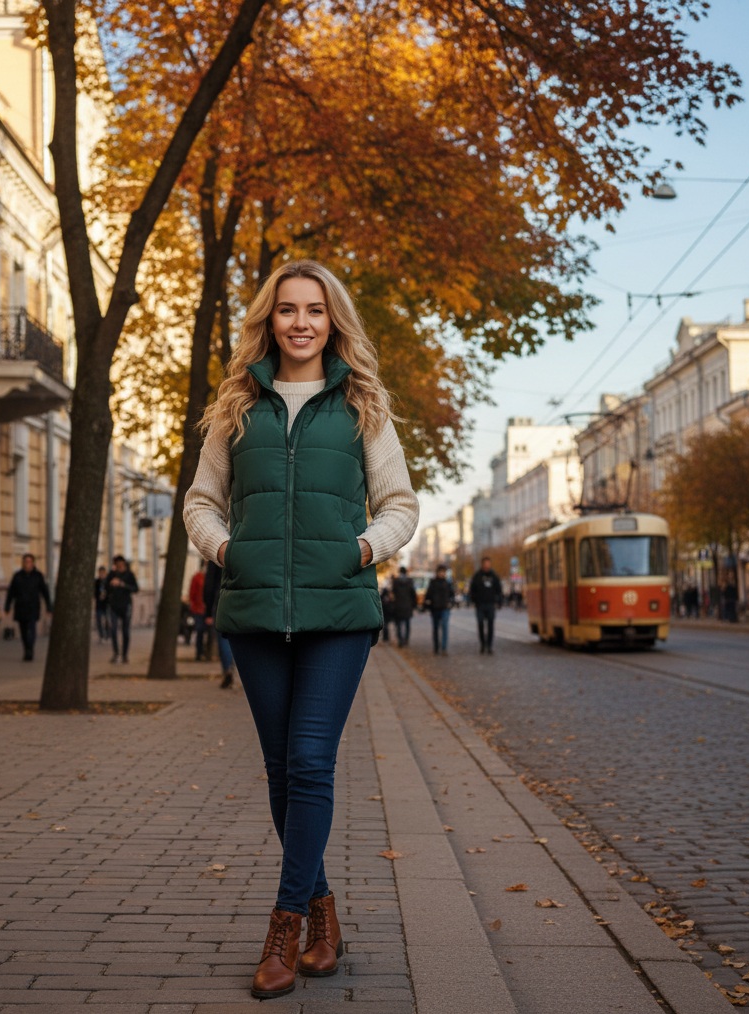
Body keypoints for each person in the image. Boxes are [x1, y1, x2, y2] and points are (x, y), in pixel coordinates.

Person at [184, 260, 418, 999]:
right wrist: (228, 551)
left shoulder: (362, 407)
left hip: (336, 616)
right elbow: (199, 503)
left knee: (310, 764)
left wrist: (357, 549)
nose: (300, 323)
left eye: (314, 310)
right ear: (269, 319)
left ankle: (284, 926)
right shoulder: (236, 409)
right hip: (254, 612)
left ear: (332, 320)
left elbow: (400, 507)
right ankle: (324, 913)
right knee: (282, 770)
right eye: (286, 310)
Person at [4, 553, 53, 661]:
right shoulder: (17, 576)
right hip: (20, 607)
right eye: (25, 562)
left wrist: (49, 607)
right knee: (23, 630)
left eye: (29, 562)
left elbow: (45, 592)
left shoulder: (38, 576)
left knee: (31, 629)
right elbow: (11, 592)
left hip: (33, 607)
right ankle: (26, 648)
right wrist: (7, 606)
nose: (27, 564)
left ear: (33, 563)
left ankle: (30, 649)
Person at [202, 560, 235, 688]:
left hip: (221, 599)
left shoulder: (218, 546)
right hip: (242, 599)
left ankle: (227, 669)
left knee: (224, 638)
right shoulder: (246, 544)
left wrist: (208, 611)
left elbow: (209, 584)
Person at [106, 555, 139, 663]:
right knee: (114, 630)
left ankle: (125, 655)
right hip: (114, 606)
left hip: (126, 606)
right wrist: (111, 583)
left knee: (125, 631)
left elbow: (135, 589)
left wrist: (122, 584)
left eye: (120, 564)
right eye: (116, 564)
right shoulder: (112, 574)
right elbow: (105, 586)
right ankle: (116, 653)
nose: (118, 566)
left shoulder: (129, 574)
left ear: (123, 564)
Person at [469, 556, 503, 654]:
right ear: (482, 564)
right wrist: (474, 600)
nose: (487, 565)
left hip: (490, 604)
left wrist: (499, 601)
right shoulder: (477, 576)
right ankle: (483, 644)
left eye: (488, 563)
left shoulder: (494, 576)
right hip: (480, 604)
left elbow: (498, 589)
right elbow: (472, 590)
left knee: (491, 625)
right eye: (485, 563)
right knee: (480, 624)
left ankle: (489, 645)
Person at [423, 564, 455, 654]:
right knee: (436, 628)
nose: (442, 574)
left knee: (445, 627)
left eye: (444, 572)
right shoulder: (433, 583)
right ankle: (436, 647)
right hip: (435, 608)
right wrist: (427, 605)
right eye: (441, 572)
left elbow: (452, 595)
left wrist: (451, 603)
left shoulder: (448, 583)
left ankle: (444, 648)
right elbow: (428, 595)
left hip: (445, 608)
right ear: (437, 572)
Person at [391, 565, 417, 647]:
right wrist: (414, 605)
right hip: (407, 605)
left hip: (398, 605)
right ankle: (406, 639)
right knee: (407, 624)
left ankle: (400, 640)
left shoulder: (396, 581)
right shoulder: (410, 581)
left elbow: (393, 593)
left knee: (398, 624)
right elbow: (413, 594)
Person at [188, 561, 208, 661]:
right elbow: (192, 593)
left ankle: (207, 653)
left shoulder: (212, 577)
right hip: (198, 609)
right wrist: (193, 606)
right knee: (199, 631)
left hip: (209, 609)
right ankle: (199, 653)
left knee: (209, 633)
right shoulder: (197, 577)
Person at [94, 566, 111, 642]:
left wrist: (105, 596)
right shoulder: (97, 582)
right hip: (99, 604)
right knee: (99, 620)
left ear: (105, 573)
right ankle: (101, 635)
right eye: (100, 573)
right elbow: (94, 592)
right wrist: (98, 596)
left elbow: (110, 592)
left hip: (106, 604)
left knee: (107, 620)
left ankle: (107, 634)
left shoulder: (108, 582)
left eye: (103, 573)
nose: (101, 575)